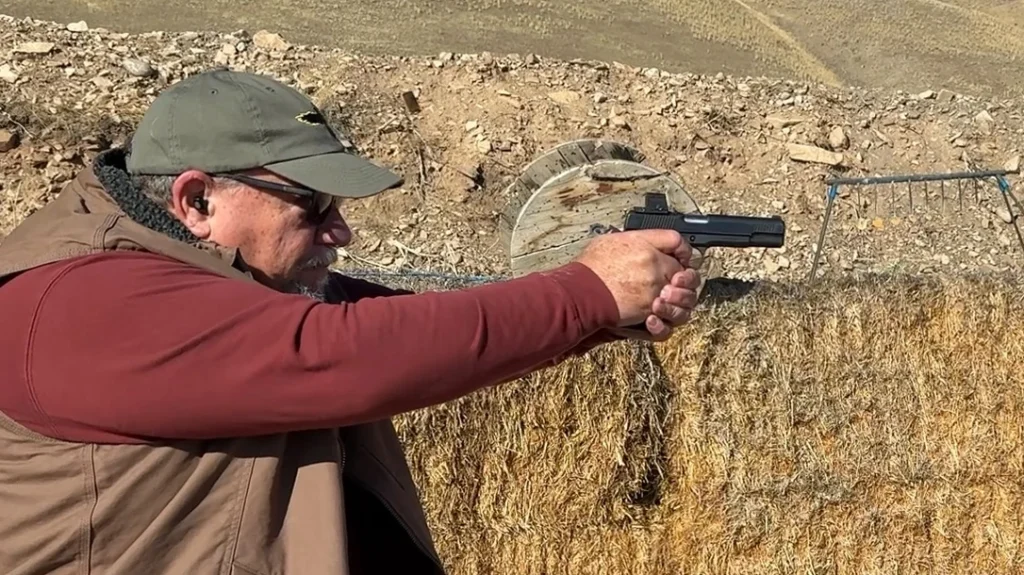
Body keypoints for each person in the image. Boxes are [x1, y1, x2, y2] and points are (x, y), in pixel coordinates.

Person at [0, 68, 701, 574]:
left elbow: (388, 320)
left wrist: (598, 317)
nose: (341, 233)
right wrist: (582, 293)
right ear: (197, 200)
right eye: (312, 207)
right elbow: (335, 354)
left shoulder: (206, 275)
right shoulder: (76, 303)